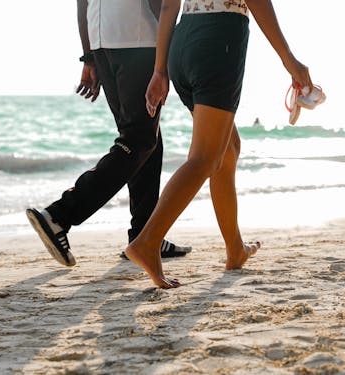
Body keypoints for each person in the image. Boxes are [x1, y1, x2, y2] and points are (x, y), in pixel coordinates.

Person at [124, 0, 315, 288]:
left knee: (227, 149)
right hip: (219, 40)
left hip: (182, 43)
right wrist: (289, 60)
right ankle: (147, 242)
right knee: (205, 158)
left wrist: (160, 70)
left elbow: (167, 7)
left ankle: (235, 249)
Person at [26, 0, 191, 267]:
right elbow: (159, 4)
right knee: (139, 140)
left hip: (102, 42)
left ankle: (145, 236)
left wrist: (89, 56)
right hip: (138, 41)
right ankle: (59, 215)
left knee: (145, 142)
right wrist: (172, 52)